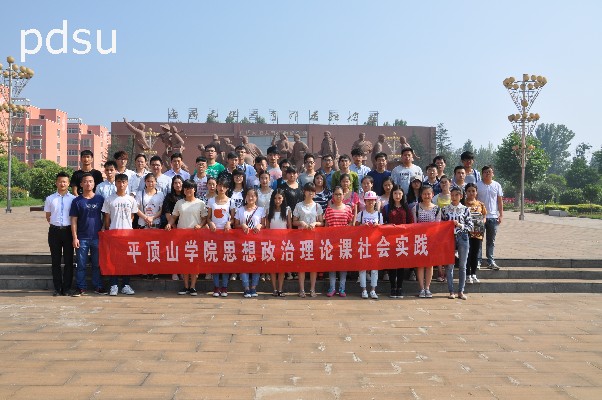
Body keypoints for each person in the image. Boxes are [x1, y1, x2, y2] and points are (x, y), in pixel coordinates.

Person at [165, 179, 208, 296]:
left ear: (195, 190)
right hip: (182, 236)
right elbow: (174, 216)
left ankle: (193, 287)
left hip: (196, 236)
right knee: (184, 261)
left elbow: (205, 218)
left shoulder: (200, 203)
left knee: (195, 261)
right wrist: (169, 223)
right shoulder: (179, 203)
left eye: (190, 188)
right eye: (186, 188)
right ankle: (185, 286)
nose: (188, 190)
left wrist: (200, 225)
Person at [102, 173, 139, 296]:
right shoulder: (109, 199)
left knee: (127, 260)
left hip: (127, 234)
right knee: (113, 260)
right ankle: (114, 285)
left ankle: (125, 285)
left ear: (127, 183)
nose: (121, 184)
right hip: (114, 233)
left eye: (123, 182)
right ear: (115, 183)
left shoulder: (131, 200)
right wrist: (108, 230)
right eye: (119, 182)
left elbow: (132, 217)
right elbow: (107, 218)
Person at [70, 173, 105, 296]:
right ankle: (81, 287)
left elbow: (106, 216)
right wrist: (75, 237)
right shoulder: (77, 201)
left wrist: (104, 229)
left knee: (97, 264)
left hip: (97, 237)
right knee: (81, 264)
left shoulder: (100, 199)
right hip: (82, 237)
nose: (88, 184)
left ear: (94, 184)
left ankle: (98, 286)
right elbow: (73, 220)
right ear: (81, 184)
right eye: (85, 181)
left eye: (90, 181)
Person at [44, 171, 77, 296]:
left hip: (68, 232)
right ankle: (57, 288)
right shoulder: (50, 198)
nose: (62, 184)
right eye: (60, 181)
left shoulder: (73, 199)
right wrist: (56, 225)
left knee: (69, 261)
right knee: (55, 261)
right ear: (56, 183)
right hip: (54, 231)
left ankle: (67, 288)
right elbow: (48, 216)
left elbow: (75, 217)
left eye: (64, 182)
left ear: (68, 183)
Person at [442, 187, 473, 300]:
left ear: (461, 196)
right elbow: (441, 225)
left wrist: (459, 225)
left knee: (462, 265)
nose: (454, 197)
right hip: (449, 238)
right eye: (452, 195)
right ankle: (451, 291)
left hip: (462, 236)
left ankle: (461, 291)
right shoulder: (445, 209)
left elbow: (470, 226)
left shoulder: (465, 209)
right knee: (449, 265)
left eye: (456, 195)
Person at [382, 184, 414, 298]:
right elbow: (383, 222)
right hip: (390, 239)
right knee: (392, 264)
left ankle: (399, 288)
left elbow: (411, 223)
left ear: (403, 195)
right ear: (392, 194)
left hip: (403, 240)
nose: (397, 195)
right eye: (395, 193)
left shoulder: (406, 208)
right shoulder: (387, 208)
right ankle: (392, 287)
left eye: (400, 193)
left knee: (401, 264)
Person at [293, 183, 324, 297]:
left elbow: (322, 222)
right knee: (302, 264)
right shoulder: (299, 205)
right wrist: (301, 223)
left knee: (313, 265)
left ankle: (312, 289)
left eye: (313, 191)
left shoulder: (317, 206)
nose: (311, 193)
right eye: (308, 190)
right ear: (304, 192)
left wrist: (315, 223)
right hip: (301, 238)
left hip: (314, 238)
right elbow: (294, 221)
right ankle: (301, 289)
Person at [323, 185, 354, 298]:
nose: (338, 196)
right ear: (333, 195)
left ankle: (342, 288)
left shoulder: (348, 209)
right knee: (332, 266)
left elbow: (350, 222)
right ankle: (332, 287)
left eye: (340, 194)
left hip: (344, 242)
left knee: (343, 266)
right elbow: (326, 226)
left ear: (343, 195)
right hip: (332, 242)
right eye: (336, 194)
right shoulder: (329, 209)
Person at [234, 189, 265, 298]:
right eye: (248, 195)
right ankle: (246, 288)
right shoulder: (240, 210)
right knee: (244, 265)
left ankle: (254, 287)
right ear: (245, 197)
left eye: (253, 196)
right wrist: (242, 225)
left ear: (256, 198)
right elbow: (235, 225)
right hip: (243, 242)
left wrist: (260, 225)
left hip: (257, 242)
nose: (250, 198)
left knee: (256, 265)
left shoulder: (261, 210)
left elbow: (264, 224)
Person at [412, 184, 441, 298]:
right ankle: (421, 288)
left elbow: (438, 226)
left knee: (429, 264)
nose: (426, 196)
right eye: (424, 194)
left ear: (432, 194)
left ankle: (427, 288)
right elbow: (414, 225)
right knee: (420, 265)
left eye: (429, 194)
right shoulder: (416, 208)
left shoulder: (437, 208)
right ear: (421, 195)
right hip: (419, 239)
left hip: (431, 240)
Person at [207, 178, 234, 296]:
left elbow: (233, 218)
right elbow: (208, 217)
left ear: (227, 188)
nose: (221, 188)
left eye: (224, 186)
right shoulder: (211, 201)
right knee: (215, 260)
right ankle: (216, 286)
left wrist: (229, 223)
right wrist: (211, 223)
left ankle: (225, 286)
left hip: (226, 234)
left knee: (225, 260)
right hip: (214, 234)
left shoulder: (231, 201)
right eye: (219, 185)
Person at [355, 191, 382, 299]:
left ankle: (373, 290)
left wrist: (378, 226)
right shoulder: (361, 214)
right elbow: (355, 228)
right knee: (363, 268)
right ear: (365, 201)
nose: (370, 202)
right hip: (363, 244)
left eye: (372, 200)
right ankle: (364, 290)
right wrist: (362, 226)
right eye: (368, 200)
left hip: (375, 244)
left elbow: (382, 230)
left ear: (375, 201)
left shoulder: (379, 215)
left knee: (374, 268)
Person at [477, 165, 504, 270]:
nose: (487, 174)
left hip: (493, 217)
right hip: (480, 217)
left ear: (493, 173)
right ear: (482, 174)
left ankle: (490, 261)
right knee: (478, 240)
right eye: (485, 172)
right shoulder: (477, 185)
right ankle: (478, 261)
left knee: (491, 240)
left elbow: (500, 201)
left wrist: (501, 215)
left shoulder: (497, 185)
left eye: (489, 172)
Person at [266, 189, 291, 297]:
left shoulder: (287, 210)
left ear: (283, 198)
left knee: (281, 267)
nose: (277, 200)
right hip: (272, 242)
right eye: (275, 198)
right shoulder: (268, 210)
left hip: (283, 242)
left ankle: (280, 289)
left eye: (279, 198)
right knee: (272, 267)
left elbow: (289, 227)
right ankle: (274, 289)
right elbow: (267, 227)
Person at [464, 183, 487, 284]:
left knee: (475, 253)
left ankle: (474, 274)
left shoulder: (480, 204)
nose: (471, 193)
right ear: (466, 192)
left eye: (473, 191)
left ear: (476, 192)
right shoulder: (463, 204)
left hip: (477, 233)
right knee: (467, 254)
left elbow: (484, 216)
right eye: (469, 191)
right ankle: (467, 274)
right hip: (466, 233)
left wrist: (482, 222)